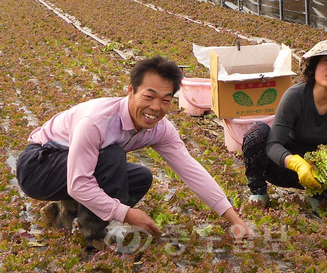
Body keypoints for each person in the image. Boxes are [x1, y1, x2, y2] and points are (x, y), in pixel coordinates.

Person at [16, 56, 253, 248]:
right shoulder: (96, 122)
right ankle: (94, 241)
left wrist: (234, 219)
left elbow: (191, 170)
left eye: (165, 100)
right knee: (111, 156)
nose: (155, 108)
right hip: (38, 166)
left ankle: (63, 213)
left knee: (140, 177)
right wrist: (127, 214)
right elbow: (78, 183)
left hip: (69, 166)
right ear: (130, 90)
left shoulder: (161, 129)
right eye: (148, 96)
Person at [242, 39, 327, 211]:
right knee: (256, 132)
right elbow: (273, 145)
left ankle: (317, 196)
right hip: (283, 167)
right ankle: (259, 193)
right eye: (326, 61)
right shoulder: (295, 96)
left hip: (318, 174)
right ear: (314, 67)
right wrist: (297, 164)